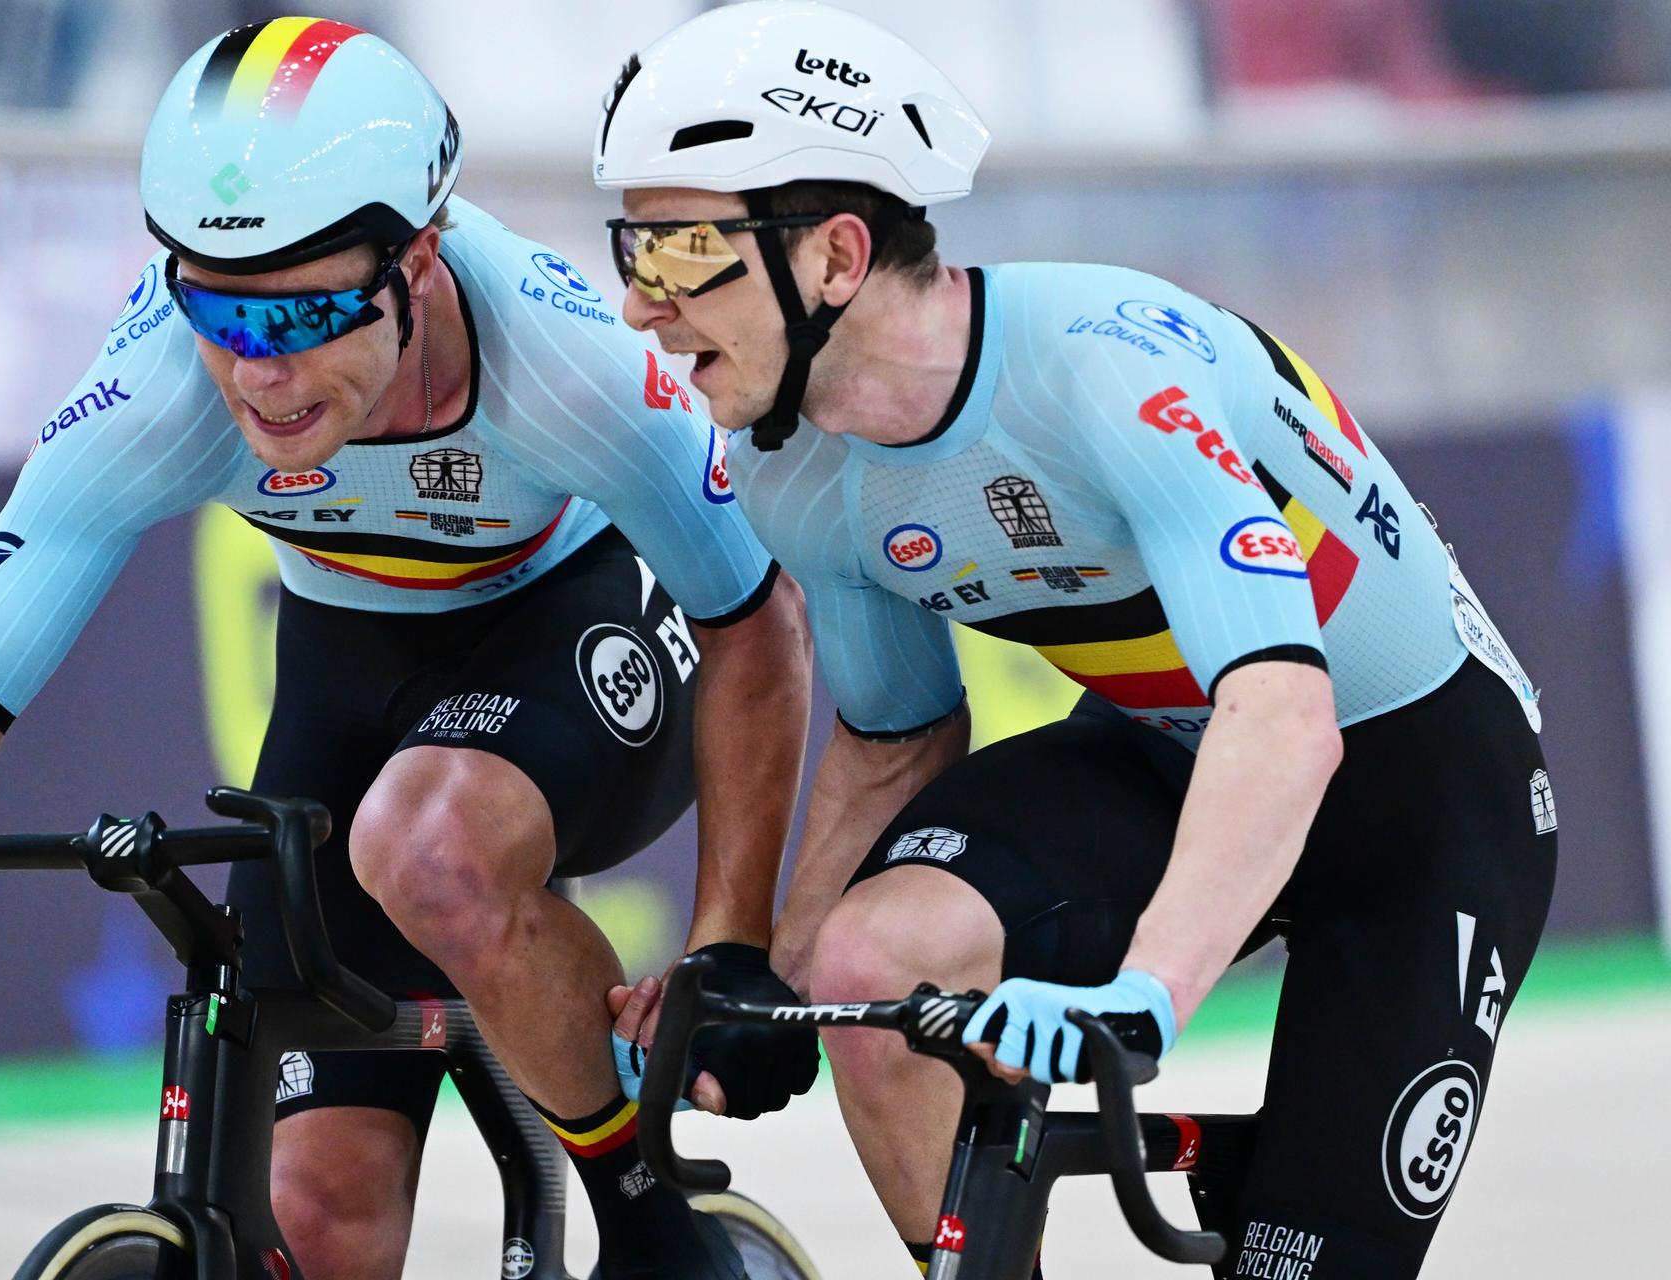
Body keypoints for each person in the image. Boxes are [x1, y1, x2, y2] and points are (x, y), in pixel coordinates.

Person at [0, 18, 819, 1280]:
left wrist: (730, 942)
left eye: (311, 313)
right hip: (353, 659)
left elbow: (759, 625)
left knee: (427, 845)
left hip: (582, 613)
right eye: (221, 312)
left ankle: (653, 1222)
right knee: (319, 1209)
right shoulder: (163, 386)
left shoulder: (567, 370)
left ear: (421, 263)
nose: (258, 375)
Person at [594, 4, 1556, 1276]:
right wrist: (775, 976)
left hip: (1421, 788)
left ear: (835, 254)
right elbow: (895, 737)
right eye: (635, 248)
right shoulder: (796, 471)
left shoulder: (1109, 373)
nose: (638, 304)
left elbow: (1286, 717)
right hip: (1165, 750)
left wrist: (1145, 993)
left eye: (683, 251)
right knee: (872, 969)